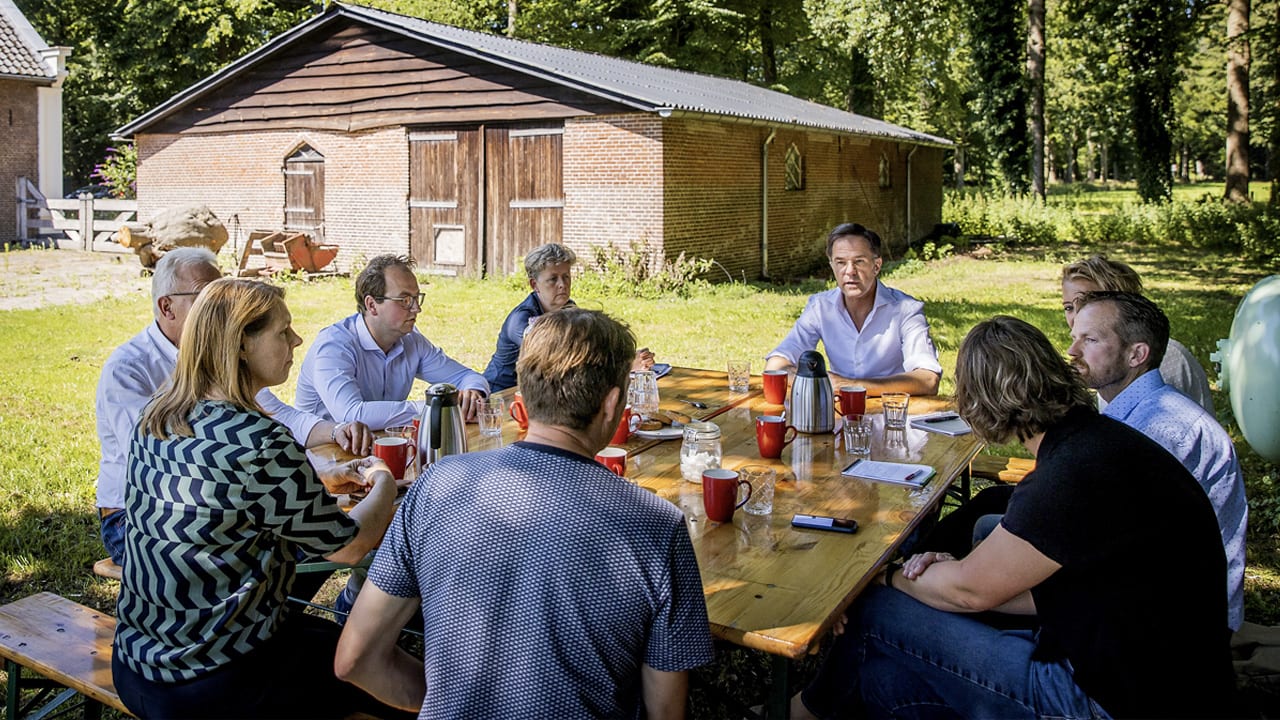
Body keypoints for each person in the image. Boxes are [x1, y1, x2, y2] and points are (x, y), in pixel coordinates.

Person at [796, 316, 1234, 719]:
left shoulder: (1070, 475)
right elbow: (1034, 585)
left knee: (876, 606)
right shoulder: (1096, 442)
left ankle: (801, 710)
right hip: (1161, 675)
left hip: (1109, 700)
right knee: (882, 682)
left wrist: (883, 577)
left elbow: (971, 592)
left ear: (981, 401)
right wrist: (950, 572)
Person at [335, 308, 713, 717]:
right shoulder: (656, 524)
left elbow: (355, 660)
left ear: (524, 397)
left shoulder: (436, 486)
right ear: (612, 404)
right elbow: (666, 713)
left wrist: (450, 704)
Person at [112, 278, 401, 719]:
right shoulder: (260, 439)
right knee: (369, 661)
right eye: (283, 331)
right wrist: (382, 479)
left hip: (137, 664)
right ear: (241, 345)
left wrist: (317, 477)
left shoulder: (160, 415)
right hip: (216, 681)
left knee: (323, 639)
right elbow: (351, 546)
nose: (296, 340)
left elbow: (222, 491)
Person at [95, 247, 370, 566]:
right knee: (303, 545)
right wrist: (310, 478)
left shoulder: (227, 375)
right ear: (166, 307)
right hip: (132, 516)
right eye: (207, 296)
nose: (223, 306)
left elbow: (278, 416)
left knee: (300, 539)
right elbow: (171, 470)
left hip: (209, 511)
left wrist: (335, 432)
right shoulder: (128, 369)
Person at [1069, 291, 1247, 631]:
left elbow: (1096, 541)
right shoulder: (1137, 411)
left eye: (1089, 340)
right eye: (1074, 338)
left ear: (1137, 354)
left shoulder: (1159, 431)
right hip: (1155, 596)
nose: (1072, 352)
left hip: (1177, 625)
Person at [295, 254, 489, 429]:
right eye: (404, 300)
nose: (416, 309)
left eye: (416, 298)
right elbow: (351, 415)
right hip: (319, 456)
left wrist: (472, 393)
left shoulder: (412, 340)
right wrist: (436, 406)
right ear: (372, 305)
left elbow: (467, 376)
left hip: (375, 448)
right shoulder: (333, 346)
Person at [765, 223, 941, 395]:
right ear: (832, 266)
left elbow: (928, 379)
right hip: (840, 414)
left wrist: (853, 386)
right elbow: (776, 364)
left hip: (891, 413)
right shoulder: (820, 307)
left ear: (876, 266)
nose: (849, 271)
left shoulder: (906, 310)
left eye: (859, 261)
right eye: (840, 262)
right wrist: (812, 381)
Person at [483, 242, 656, 392]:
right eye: (553, 279)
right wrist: (623, 367)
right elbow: (560, 357)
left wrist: (624, 356)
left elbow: (588, 344)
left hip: (538, 393)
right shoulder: (520, 319)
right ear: (534, 284)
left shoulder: (569, 308)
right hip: (501, 395)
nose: (562, 285)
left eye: (566, 277)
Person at [1061, 254, 1214, 413]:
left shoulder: (1168, 358)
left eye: (1090, 301)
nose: (1077, 316)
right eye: (1068, 308)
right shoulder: (1099, 357)